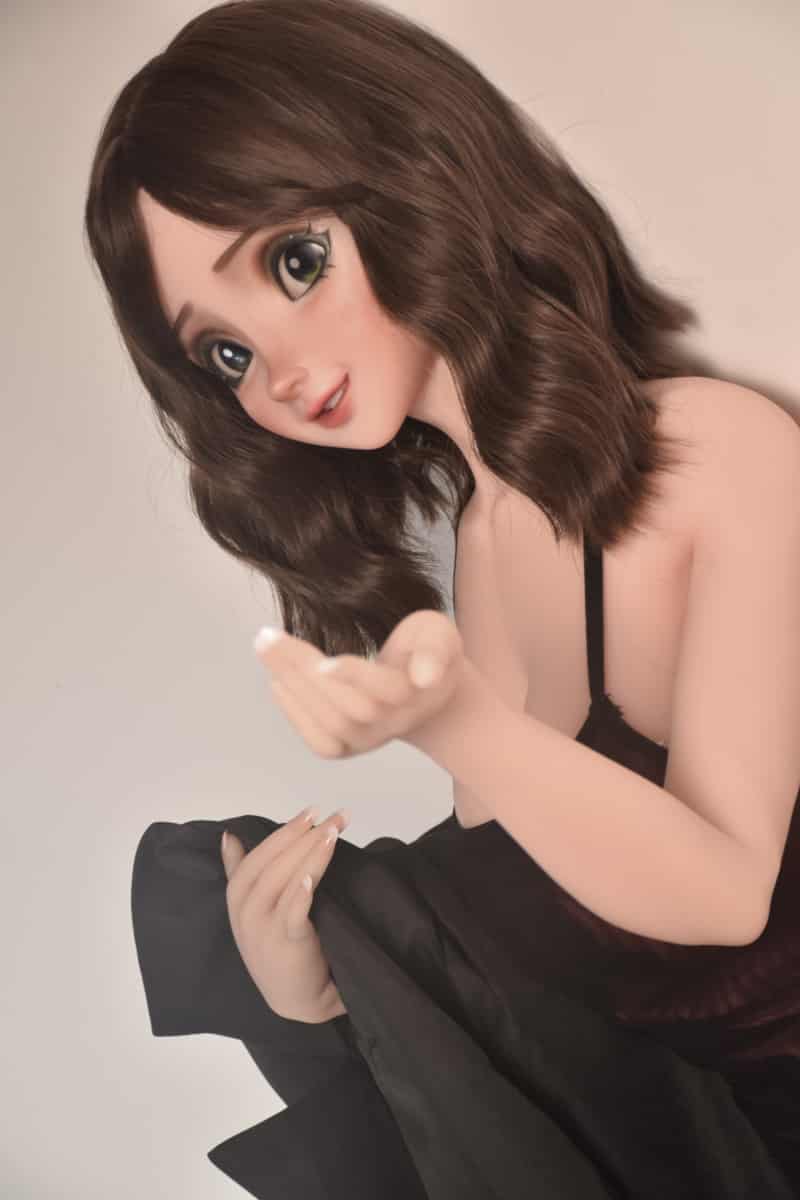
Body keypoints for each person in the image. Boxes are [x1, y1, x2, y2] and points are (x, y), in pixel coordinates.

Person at [84, 0, 800, 1194]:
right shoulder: (477, 541)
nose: (278, 372)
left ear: (408, 170)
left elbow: (723, 894)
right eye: (224, 354)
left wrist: (457, 724)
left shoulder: (713, 450)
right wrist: (316, 996)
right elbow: (563, 991)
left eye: (293, 261)